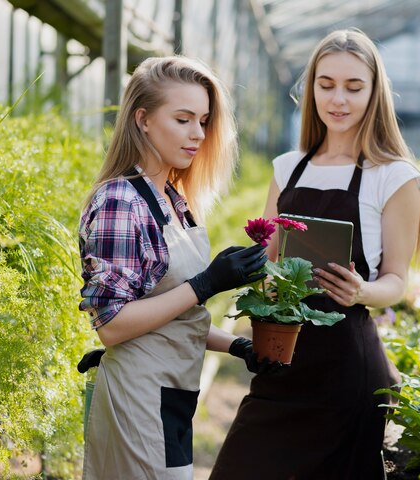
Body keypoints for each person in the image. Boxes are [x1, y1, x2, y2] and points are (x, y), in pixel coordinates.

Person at [210, 29, 420, 480]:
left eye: (354, 87)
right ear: (310, 89)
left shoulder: (394, 177)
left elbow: (397, 282)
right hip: (281, 360)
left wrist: (361, 290)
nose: (338, 99)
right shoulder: (288, 167)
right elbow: (269, 258)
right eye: (326, 84)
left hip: (347, 374)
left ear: (375, 93)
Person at [78, 55, 274, 479]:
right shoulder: (120, 202)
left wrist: (237, 347)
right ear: (143, 119)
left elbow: (175, 315)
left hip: (171, 394)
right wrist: (207, 283)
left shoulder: (173, 198)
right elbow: (112, 324)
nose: (198, 135)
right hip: (140, 396)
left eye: (203, 121)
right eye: (184, 119)